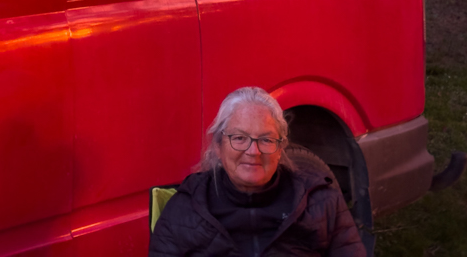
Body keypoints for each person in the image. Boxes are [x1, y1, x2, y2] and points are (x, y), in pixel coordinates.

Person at [149, 87, 366, 257]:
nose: (253, 152)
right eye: (239, 138)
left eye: (266, 140)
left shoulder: (320, 200)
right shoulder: (184, 209)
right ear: (218, 146)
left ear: (280, 149)